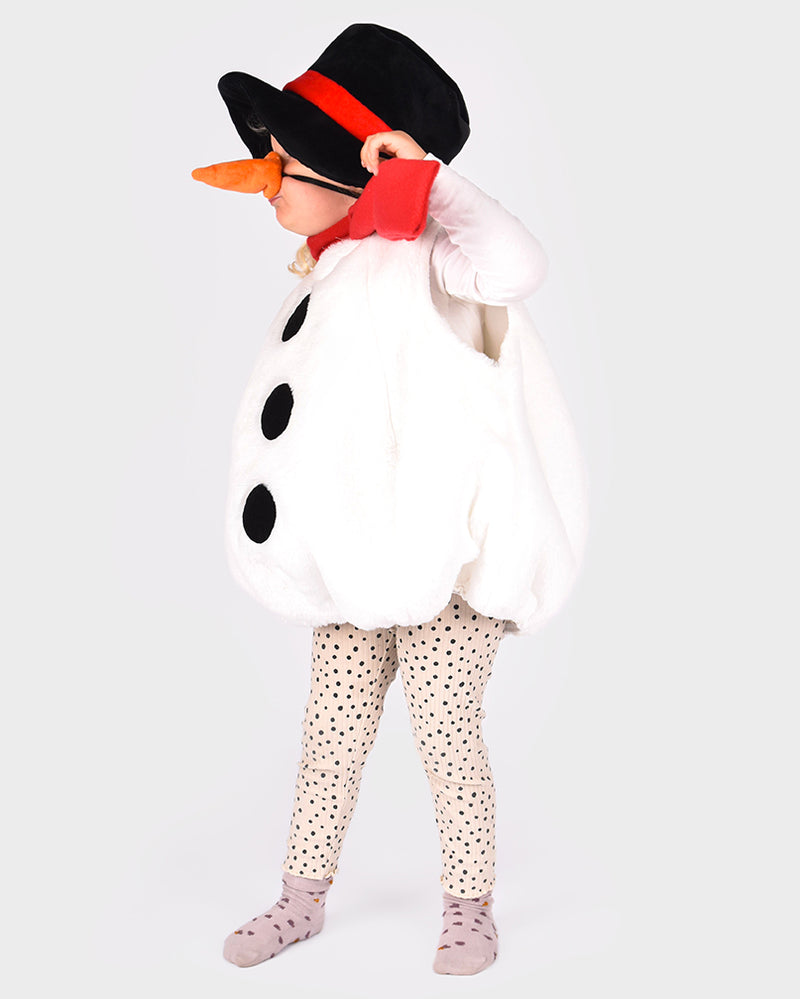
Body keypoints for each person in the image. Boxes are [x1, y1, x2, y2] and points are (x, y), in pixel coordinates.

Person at [192, 22, 588, 977]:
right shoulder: (331, 270)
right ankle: (301, 897)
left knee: (447, 735)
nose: (267, 176)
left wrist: (431, 183)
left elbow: (519, 267)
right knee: (328, 736)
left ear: (350, 167)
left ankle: (469, 907)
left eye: (284, 158)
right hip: (355, 565)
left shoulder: (435, 257)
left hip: (446, 569)